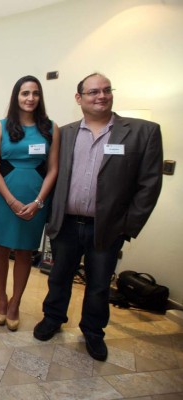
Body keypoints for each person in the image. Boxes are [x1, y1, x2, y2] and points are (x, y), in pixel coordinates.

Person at [33, 73, 163, 361]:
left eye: (106, 90)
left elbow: (149, 184)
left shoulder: (142, 132)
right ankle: (53, 318)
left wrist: (128, 226)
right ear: (79, 98)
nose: (100, 96)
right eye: (92, 92)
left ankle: (93, 332)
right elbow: (49, 175)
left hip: (107, 227)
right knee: (58, 277)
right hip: (66, 223)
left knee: (100, 284)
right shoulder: (63, 134)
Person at [0, 75, 59, 331]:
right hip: (3, 196)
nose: (30, 98)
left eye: (35, 93)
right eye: (25, 93)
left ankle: (15, 302)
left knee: (24, 251)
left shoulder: (51, 128)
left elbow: (53, 169)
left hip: (36, 197)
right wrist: (10, 200)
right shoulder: (0, 126)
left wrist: (39, 202)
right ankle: (0, 297)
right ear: (16, 96)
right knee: (1, 247)